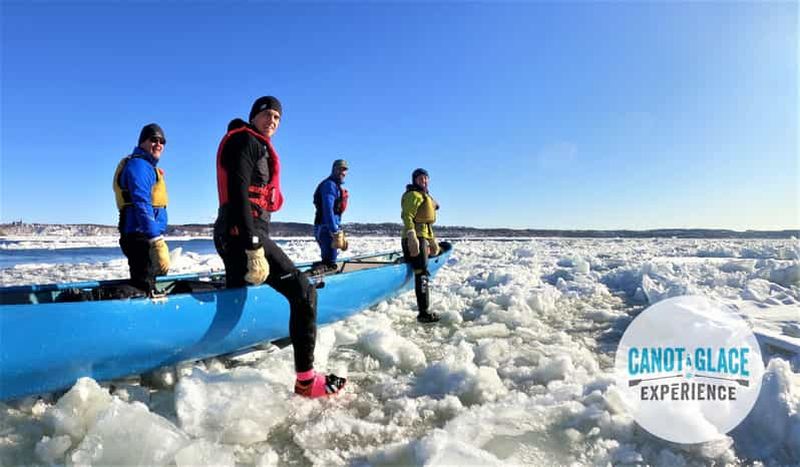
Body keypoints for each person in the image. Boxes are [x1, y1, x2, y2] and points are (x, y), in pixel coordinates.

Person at [213, 96, 346, 398]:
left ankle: (220, 344)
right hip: (242, 235)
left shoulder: (255, 144)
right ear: (254, 116)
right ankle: (306, 381)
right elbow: (238, 192)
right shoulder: (246, 141)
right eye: (268, 114)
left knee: (237, 291)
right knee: (304, 292)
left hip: (236, 234)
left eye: (277, 117)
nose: (272, 121)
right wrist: (253, 245)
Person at [113, 123, 170, 293]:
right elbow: (142, 203)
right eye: (154, 139)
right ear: (142, 142)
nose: (158, 144)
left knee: (146, 281)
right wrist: (155, 240)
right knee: (144, 287)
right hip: (140, 237)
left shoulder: (145, 166)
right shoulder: (139, 166)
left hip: (142, 236)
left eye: (162, 141)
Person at [400, 168, 441, 323]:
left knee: (422, 270)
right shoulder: (413, 195)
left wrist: (432, 240)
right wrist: (411, 235)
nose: (423, 180)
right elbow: (407, 216)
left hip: (423, 236)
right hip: (414, 238)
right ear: (414, 180)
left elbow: (426, 224)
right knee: (421, 272)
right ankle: (423, 313)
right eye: (420, 178)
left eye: (425, 178)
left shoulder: (425, 195)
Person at [312, 159, 349, 272]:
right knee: (330, 263)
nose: (343, 173)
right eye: (340, 169)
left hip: (328, 227)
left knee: (329, 261)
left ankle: (324, 270)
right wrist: (334, 231)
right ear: (333, 170)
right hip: (326, 228)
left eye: (344, 170)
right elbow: (328, 209)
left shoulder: (334, 186)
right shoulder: (330, 185)